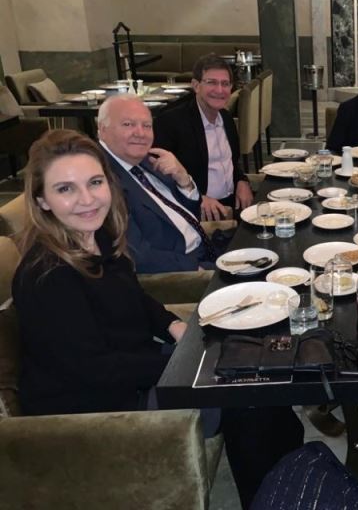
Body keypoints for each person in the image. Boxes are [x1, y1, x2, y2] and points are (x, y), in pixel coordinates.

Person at [13, 129, 304, 509]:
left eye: (95, 182)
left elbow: (134, 297)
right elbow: (94, 370)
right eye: (65, 189)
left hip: (129, 374)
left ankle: (290, 484)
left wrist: (172, 325)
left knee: (259, 377)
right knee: (247, 397)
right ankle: (272, 498)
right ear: (42, 200)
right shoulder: (47, 276)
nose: (86, 199)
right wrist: (187, 363)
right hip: (98, 411)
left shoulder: (97, 237)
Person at [98, 94, 217, 273]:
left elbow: (187, 214)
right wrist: (195, 269)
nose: (140, 133)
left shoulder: (147, 159)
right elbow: (137, 255)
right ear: (102, 129)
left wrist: (184, 180)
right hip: (183, 270)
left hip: (207, 248)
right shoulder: (102, 181)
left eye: (146, 125)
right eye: (128, 124)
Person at [153, 53, 254, 221]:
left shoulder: (226, 118)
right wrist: (197, 197)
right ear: (196, 85)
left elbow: (231, 162)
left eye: (225, 84)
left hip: (233, 204)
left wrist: (242, 181)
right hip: (198, 213)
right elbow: (157, 174)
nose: (219, 90)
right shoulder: (171, 122)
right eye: (211, 82)